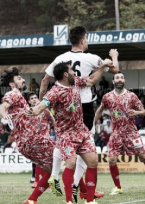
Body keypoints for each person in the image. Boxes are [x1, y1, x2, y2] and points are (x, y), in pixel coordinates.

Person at [39, 25, 119, 201]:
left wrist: (43, 101)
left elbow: (45, 80)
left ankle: (54, 175)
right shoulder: (91, 58)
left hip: (63, 105)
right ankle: (75, 185)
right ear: (82, 40)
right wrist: (114, 57)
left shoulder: (61, 58)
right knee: (85, 144)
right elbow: (114, 70)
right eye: (87, 38)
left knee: (64, 139)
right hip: (84, 106)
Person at [29, 60, 113, 204]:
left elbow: (92, 80)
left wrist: (102, 66)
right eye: (71, 70)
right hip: (66, 134)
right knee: (71, 163)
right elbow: (42, 106)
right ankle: (69, 201)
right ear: (66, 74)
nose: (75, 72)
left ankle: (90, 200)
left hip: (82, 131)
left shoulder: (75, 82)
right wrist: (33, 110)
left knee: (93, 162)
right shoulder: (54, 92)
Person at [94, 72, 145, 195]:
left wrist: (136, 113)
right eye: (117, 78)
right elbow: (100, 110)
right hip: (116, 133)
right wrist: (94, 124)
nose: (120, 80)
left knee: (143, 157)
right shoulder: (107, 97)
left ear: (124, 81)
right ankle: (118, 187)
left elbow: (143, 112)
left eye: (122, 78)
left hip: (131, 133)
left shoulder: (132, 96)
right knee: (111, 160)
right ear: (113, 81)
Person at [0, 67, 56, 204]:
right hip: (34, 140)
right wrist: (3, 113)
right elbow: (3, 105)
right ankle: (86, 192)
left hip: (24, 144)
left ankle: (31, 200)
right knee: (67, 155)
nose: (23, 79)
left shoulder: (20, 98)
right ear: (12, 84)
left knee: (51, 170)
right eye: (19, 78)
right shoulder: (14, 93)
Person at [27, 92, 55, 188]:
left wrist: (58, 132)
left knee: (45, 161)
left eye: (35, 97)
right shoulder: (28, 112)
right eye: (32, 98)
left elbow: (53, 121)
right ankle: (38, 180)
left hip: (45, 139)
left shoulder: (45, 111)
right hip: (33, 140)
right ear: (29, 101)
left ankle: (40, 180)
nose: (34, 99)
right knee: (39, 161)